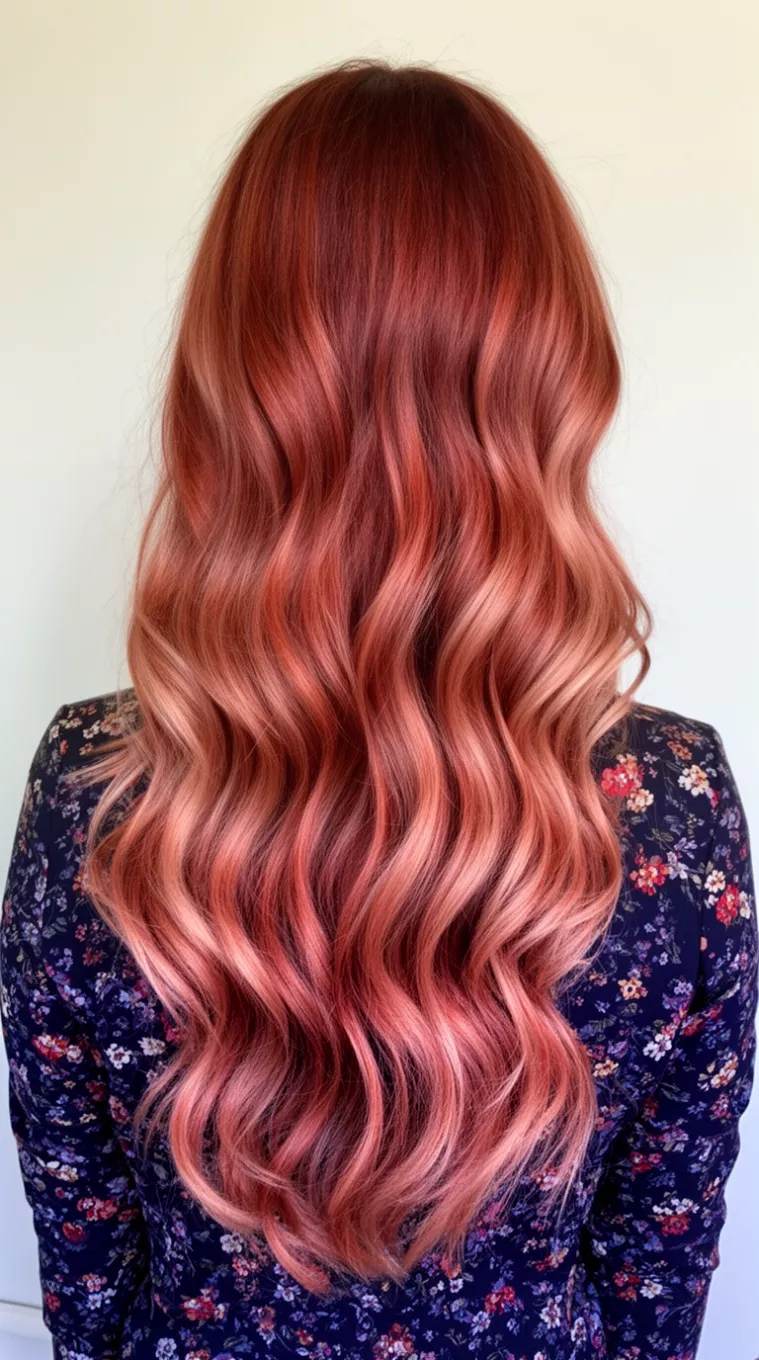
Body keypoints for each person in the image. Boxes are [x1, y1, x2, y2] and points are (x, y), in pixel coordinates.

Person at [1, 57, 756, 1360]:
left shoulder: (91, 795)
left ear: (228, 390)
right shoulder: (675, 815)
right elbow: (656, 1273)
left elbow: (85, 1265)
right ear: (545, 384)